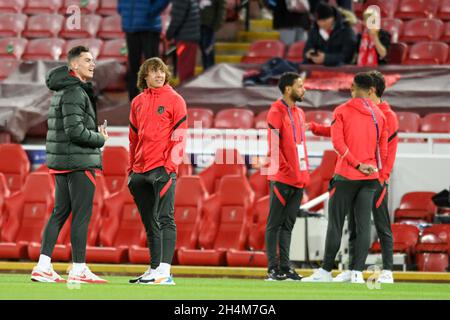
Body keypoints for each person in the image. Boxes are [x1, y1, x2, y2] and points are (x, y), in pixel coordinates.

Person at [308, 71, 398, 284]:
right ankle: (356, 271)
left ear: (367, 90)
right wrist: (375, 169)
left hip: (355, 175)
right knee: (362, 224)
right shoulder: (380, 114)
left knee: (363, 223)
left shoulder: (349, 110)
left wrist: (380, 174)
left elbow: (340, 142)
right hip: (371, 176)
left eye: (352, 87)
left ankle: (386, 270)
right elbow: (382, 148)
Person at [31, 46, 109, 284]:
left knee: (59, 213)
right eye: (87, 60)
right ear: (74, 65)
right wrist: (100, 138)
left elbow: (69, 128)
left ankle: (43, 266)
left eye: (93, 60)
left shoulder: (62, 90)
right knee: (81, 215)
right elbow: (75, 132)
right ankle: (79, 268)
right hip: (79, 162)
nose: (92, 64)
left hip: (63, 161)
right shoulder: (75, 91)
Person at [127, 57, 187, 285]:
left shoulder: (176, 100)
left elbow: (180, 136)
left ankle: (165, 271)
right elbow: (133, 139)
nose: (159, 75)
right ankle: (154, 269)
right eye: (154, 72)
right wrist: (131, 170)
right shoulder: (137, 102)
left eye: (161, 71)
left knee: (165, 218)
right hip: (140, 171)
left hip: (162, 169)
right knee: (150, 221)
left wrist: (170, 166)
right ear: (145, 76)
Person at [265, 72, 310, 281]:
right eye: (300, 86)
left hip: (298, 178)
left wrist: (303, 172)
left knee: (288, 225)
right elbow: (273, 146)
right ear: (288, 89)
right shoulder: (276, 111)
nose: (304, 89)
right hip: (282, 177)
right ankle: (272, 268)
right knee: (274, 224)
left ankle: (285, 266)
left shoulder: (300, 113)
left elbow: (300, 147)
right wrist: (286, 169)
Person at [118, 0, 170, 101]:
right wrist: (122, 10)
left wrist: (150, 12)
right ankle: (133, 100)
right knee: (133, 65)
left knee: (152, 65)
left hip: (149, 27)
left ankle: (156, 98)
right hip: (130, 26)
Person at [303, 2, 356, 66]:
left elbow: (347, 56)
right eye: (319, 21)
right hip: (318, 68)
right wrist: (309, 54)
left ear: (333, 18)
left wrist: (326, 58)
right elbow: (307, 48)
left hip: (339, 69)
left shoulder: (347, 31)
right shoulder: (314, 30)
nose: (321, 24)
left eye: (324, 20)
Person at [167, 0, 201, 83]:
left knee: (184, 69)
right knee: (189, 69)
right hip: (190, 37)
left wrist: (169, 35)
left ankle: (185, 93)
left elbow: (177, 19)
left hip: (184, 40)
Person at [199, 0, 226, 70]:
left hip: (209, 26)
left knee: (208, 51)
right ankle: (206, 71)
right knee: (203, 51)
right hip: (199, 24)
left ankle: (210, 73)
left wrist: (215, 26)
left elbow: (221, 9)